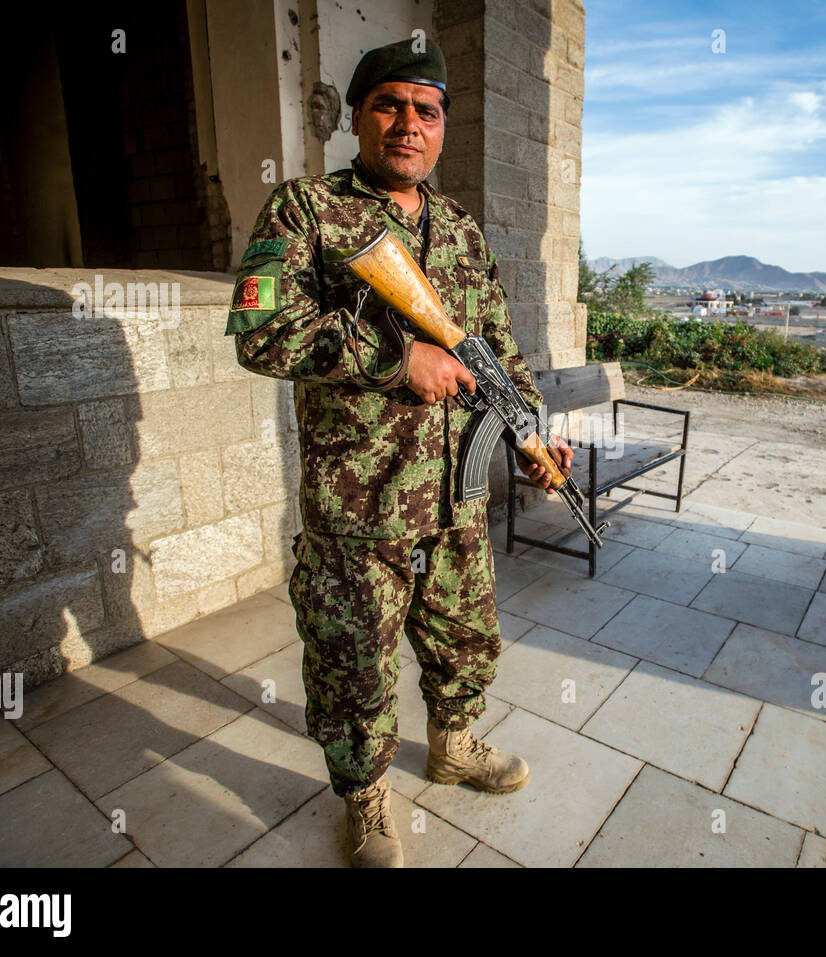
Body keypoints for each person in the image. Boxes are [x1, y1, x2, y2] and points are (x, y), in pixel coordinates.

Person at [225, 37, 573, 867]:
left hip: (456, 497)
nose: (407, 124)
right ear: (356, 118)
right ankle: (367, 795)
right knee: (354, 664)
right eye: (389, 105)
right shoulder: (305, 211)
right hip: (361, 503)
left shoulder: (458, 228)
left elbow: (496, 345)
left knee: (465, 635)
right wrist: (395, 358)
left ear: (444, 126)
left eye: (425, 109)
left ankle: (454, 742)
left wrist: (530, 430)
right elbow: (257, 328)